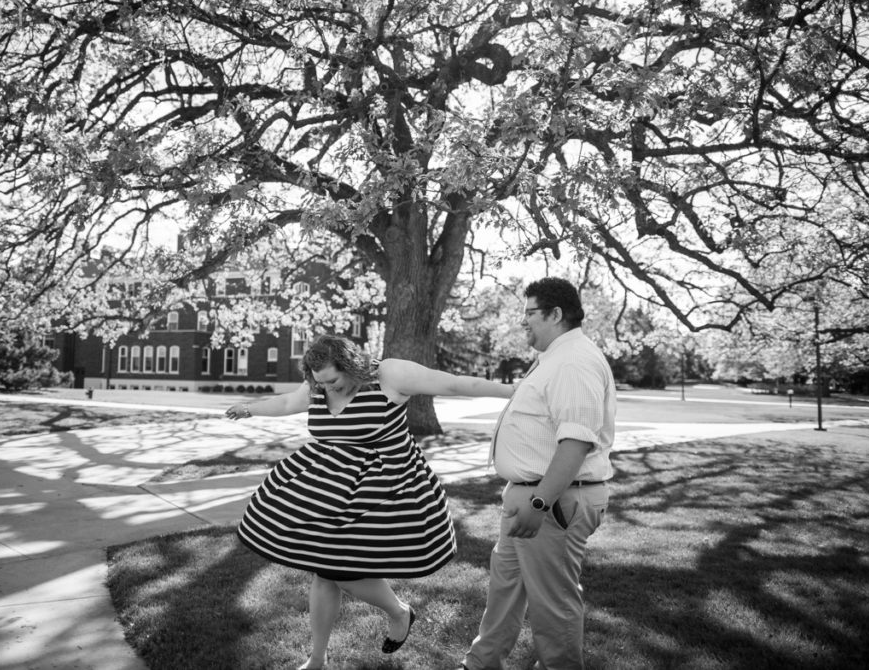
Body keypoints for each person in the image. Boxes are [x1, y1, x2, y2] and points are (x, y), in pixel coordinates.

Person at [225, 334, 514, 670]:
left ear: (351, 366)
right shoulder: (318, 385)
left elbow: (453, 384)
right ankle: (317, 658)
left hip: (383, 489)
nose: (327, 388)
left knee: (339, 570)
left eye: (333, 379)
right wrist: (249, 409)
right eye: (319, 383)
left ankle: (399, 612)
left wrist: (513, 390)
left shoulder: (389, 375)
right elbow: (289, 403)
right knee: (324, 570)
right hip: (329, 492)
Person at [460, 278, 616, 670]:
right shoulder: (554, 358)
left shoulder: (574, 361)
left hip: (550, 502)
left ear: (555, 314)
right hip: (528, 497)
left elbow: (576, 443)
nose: (523, 323)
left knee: (553, 604)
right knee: (506, 587)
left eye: (530, 314)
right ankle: (482, 663)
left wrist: (539, 502)